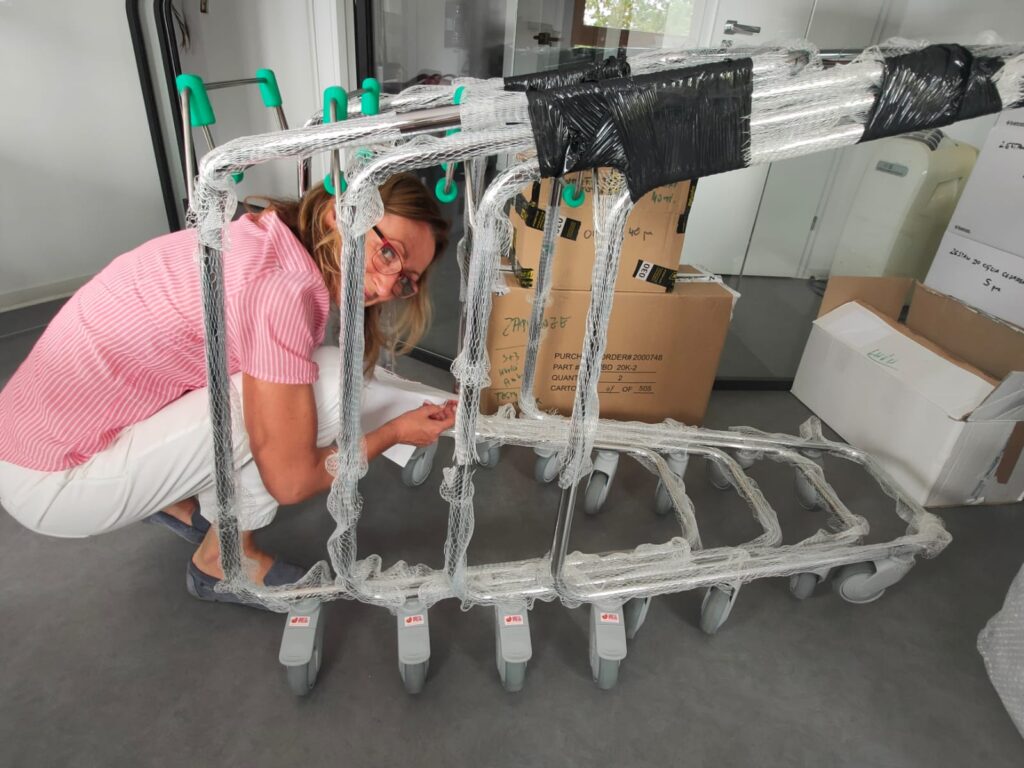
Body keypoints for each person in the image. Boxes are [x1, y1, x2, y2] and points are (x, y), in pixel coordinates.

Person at [0, 172, 455, 606]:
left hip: (23, 438)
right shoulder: (282, 292)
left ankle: (176, 501)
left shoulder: (263, 235)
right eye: (389, 254)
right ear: (340, 214)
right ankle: (223, 561)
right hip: (54, 483)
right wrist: (393, 434)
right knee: (333, 384)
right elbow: (291, 480)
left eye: (405, 280)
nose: (386, 285)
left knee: (274, 383)